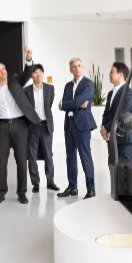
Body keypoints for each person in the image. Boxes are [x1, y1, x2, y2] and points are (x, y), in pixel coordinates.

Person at [0, 47, 40, 205]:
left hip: (19, 125)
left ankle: (22, 193)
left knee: (21, 160)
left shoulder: (16, 81)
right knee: (0, 161)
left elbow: (26, 74)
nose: (3, 71)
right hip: (2, 127)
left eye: (3, 68)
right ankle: (0, 192)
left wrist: (29, 59)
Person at [57, 57, 97, 199]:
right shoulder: (68, 86)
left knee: (85, 156)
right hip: (69, 124)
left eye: (79, 65)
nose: (77, 68)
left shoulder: (89, 84)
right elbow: (64, 105)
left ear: (83, 67)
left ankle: (91, 190)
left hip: (82, 125)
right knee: (70, 157)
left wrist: (68, 104)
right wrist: (73, 104)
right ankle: (72, 187)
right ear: (70, 70)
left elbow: (74, 102)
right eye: (74, 66)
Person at [23, 64, 60, 193]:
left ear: (43, 74)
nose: (38, 74)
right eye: (35, 72)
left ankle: (50, 181)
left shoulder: (50, 88)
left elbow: (49, 104)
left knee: (48, 155)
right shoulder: (26, 90)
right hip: (32, 126)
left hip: (46, 125)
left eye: (40, 72)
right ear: (31, 75)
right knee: (32, 155)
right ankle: (35, 183)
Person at [100, 62, 132, 164]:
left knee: (127, 171)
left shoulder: (129, 93)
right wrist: (104, 128)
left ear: (120, 75)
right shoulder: (110, 94)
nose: (109, 74)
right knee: (113, 169)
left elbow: (123, 115)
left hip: (124, 139)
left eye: (112, 72)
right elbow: (106, 113)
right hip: (111, 139)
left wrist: (106, 128)